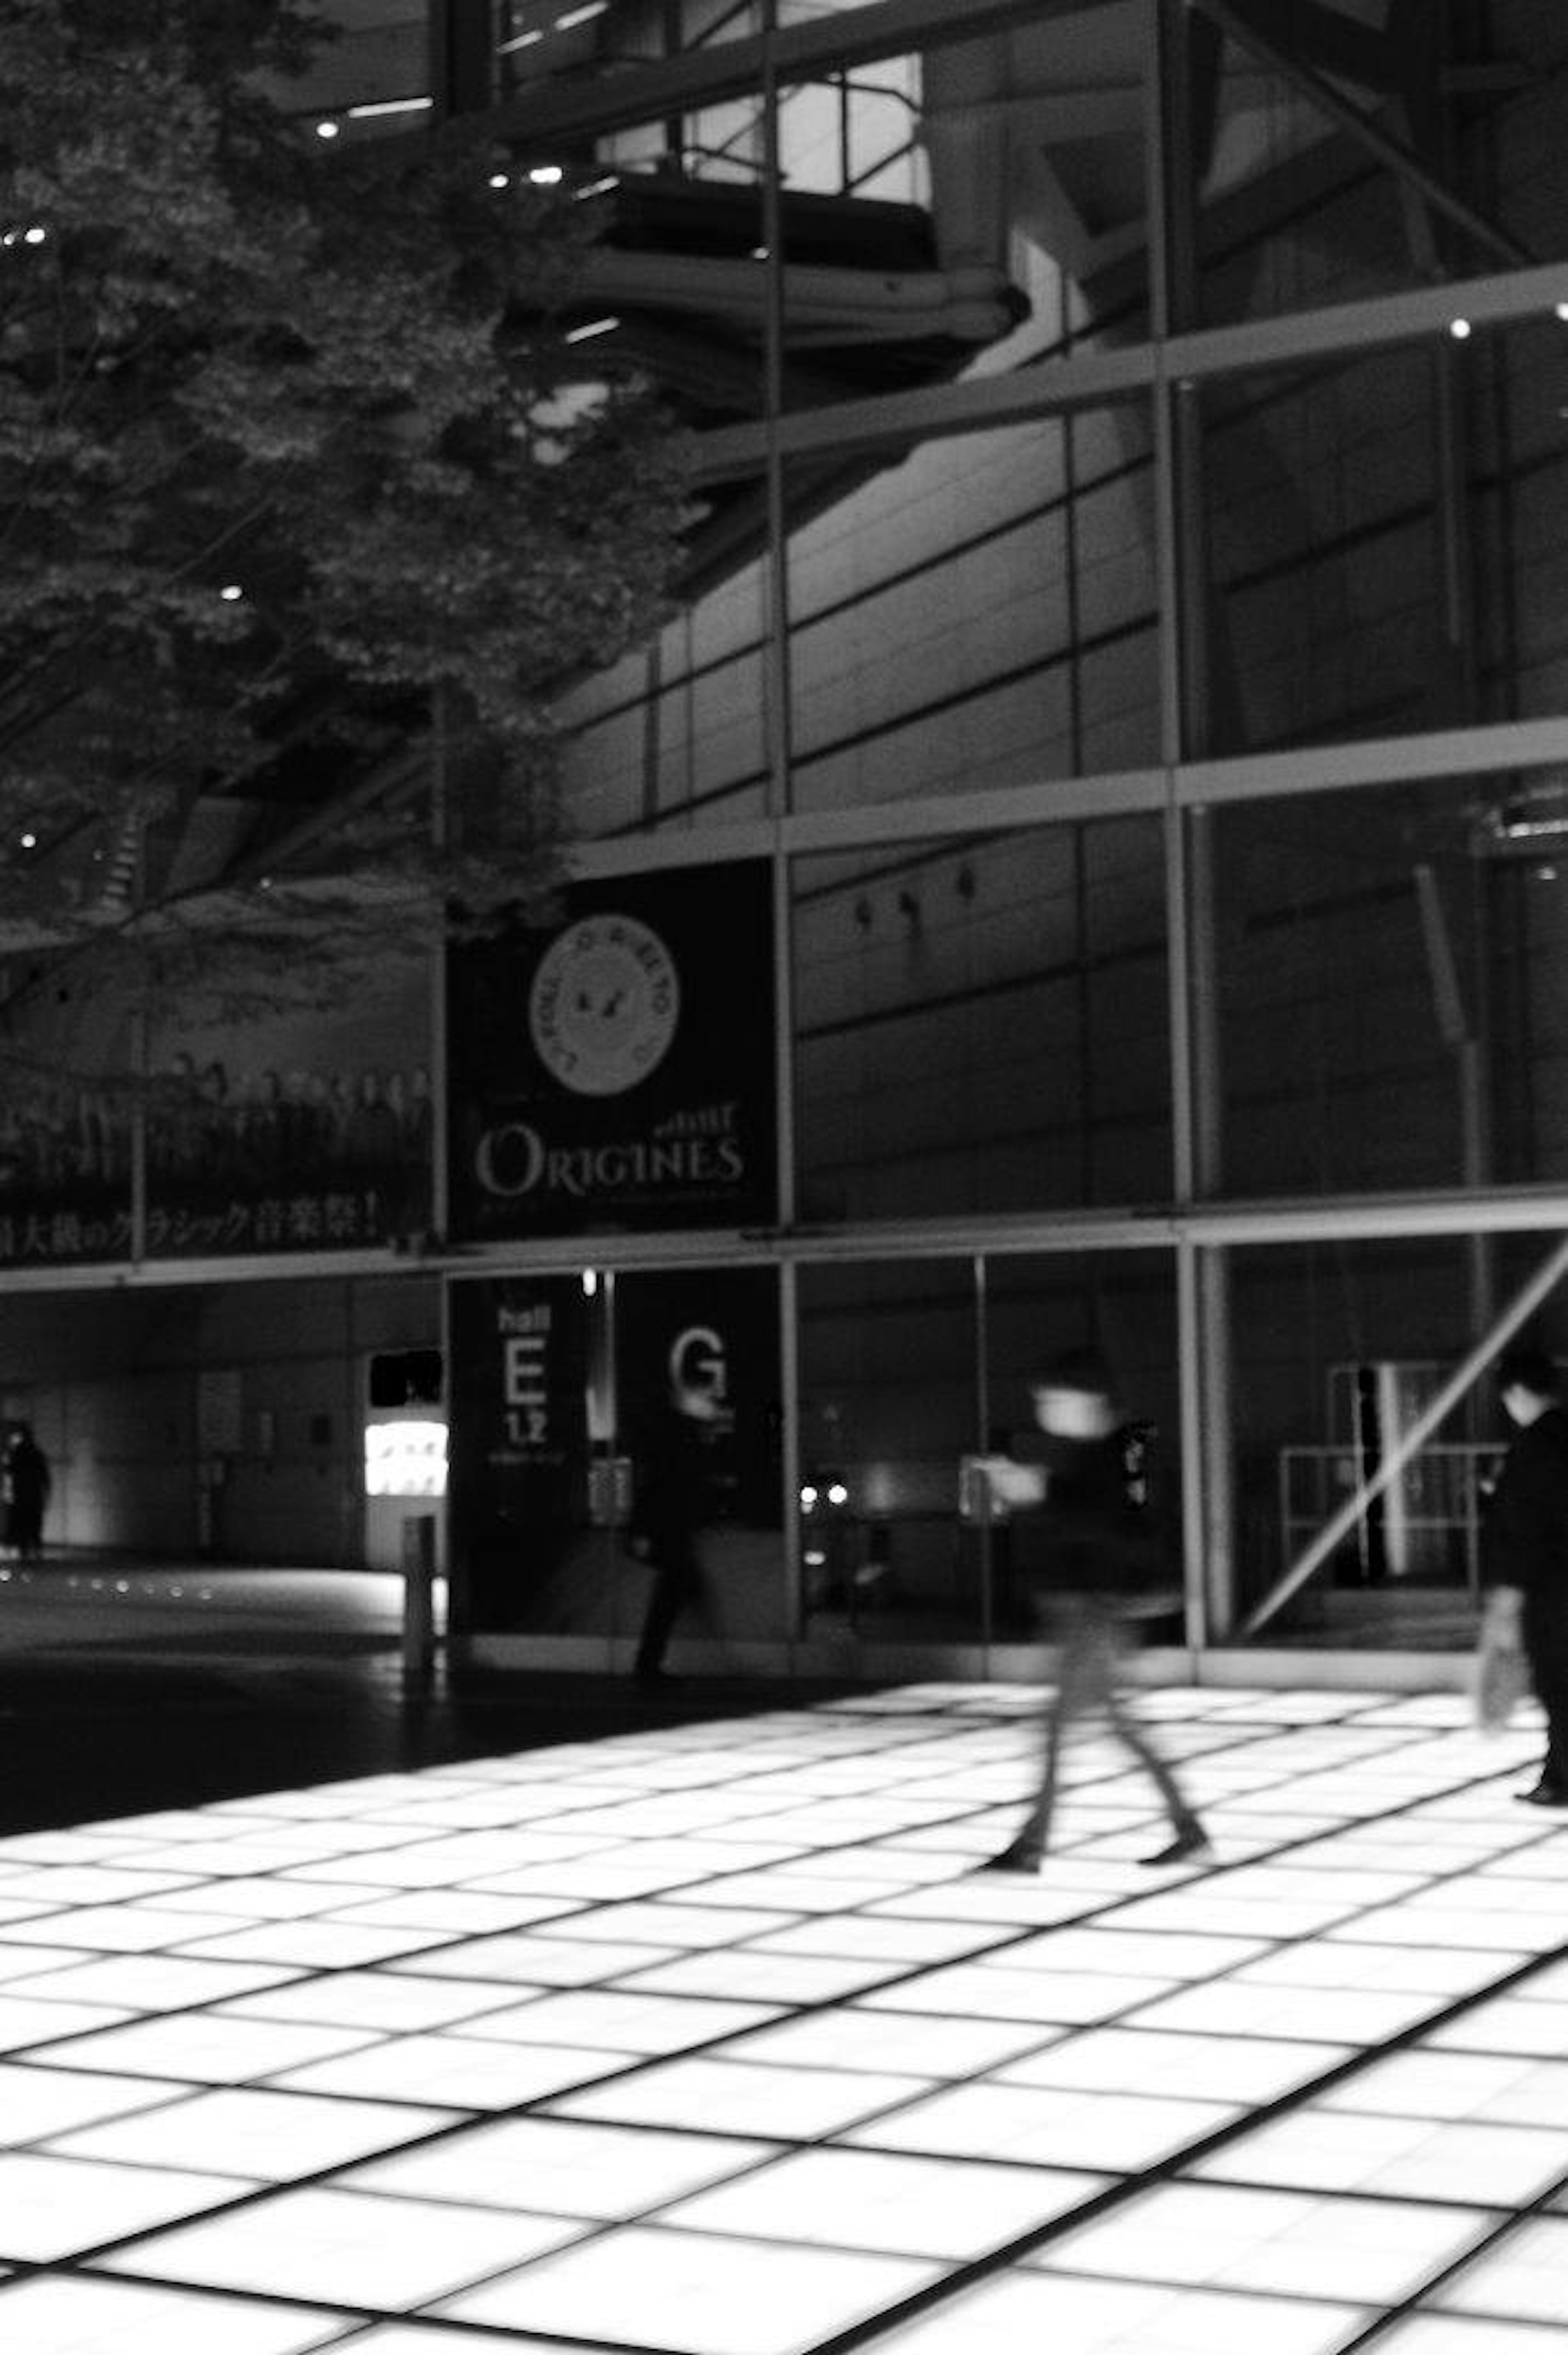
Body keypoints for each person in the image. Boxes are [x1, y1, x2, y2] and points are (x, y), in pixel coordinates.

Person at [973, 1347, 1209, 1872]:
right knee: (1119, 1727)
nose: (1046, 1412)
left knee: (1062, 1728)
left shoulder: (1119, 1450)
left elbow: (1114, 1528)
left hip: (1091, 1612)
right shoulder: (1093, 1452)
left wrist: (1041, 1493)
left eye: (1053, 1399)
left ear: (1087, 1397)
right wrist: (1043, 1492)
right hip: (1087, 1610)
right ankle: (1188, 1829)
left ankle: (1032, 1846)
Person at [1480, 1344, 1568, 1805]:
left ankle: (1559, 1779)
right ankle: (1555, 1775)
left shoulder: (1530, 1449)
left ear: (1516, 1393)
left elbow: (1522, 1526)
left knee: (1557, 1683)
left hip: (1551, 1591)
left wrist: (1509, 1592)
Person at [628, 1371, 724, 1690]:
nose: (713, 1403)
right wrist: (644, 1529)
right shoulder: (678, 1435)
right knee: (672, 1594)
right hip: (668, 1529)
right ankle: (649, 1667)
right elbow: (657, 1484)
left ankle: (649, 1666)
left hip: (668, 1529)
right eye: (707, 1396)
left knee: (671, 1595)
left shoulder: (679, 1432)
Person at [3, 1422, 51, 1560]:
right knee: (34, 1525)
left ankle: (25, 1552)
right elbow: (44, 1476)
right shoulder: (36, 1453)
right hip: (33, 1494)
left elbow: (9, 1471)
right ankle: (36, 1551)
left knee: (23, 1524)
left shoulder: (17, 1453)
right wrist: (47, 1492)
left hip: (22, 1494)